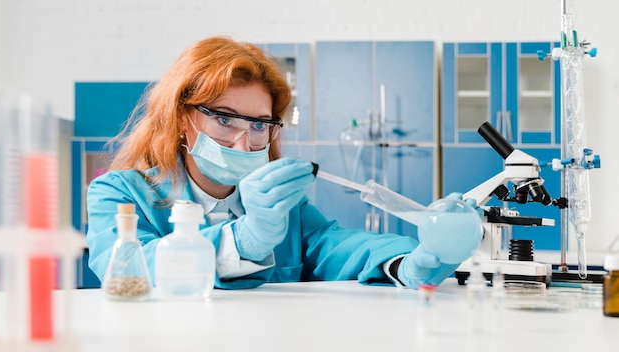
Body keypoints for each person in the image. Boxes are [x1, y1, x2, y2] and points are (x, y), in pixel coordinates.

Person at [86, 36, 480, 290]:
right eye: (224, 118)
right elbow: (129, 271)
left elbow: (338, 246)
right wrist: (244, 239)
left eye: (259, 124)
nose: (244, 141)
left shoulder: (280, 207)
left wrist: (411, 259)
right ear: (181, 117)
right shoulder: (119, 195)